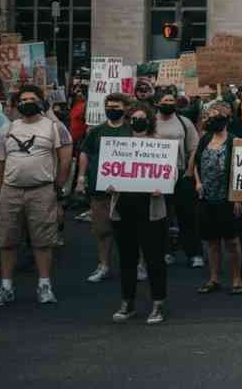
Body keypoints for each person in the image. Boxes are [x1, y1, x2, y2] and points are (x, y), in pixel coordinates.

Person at [0, 85, 72, 306]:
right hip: (11, 191)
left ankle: (44, 286)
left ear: (41, 102)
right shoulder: (7, 128)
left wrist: (58, 189)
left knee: (43, 241)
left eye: (32, 99)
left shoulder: (54, 127)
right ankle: (6, 287)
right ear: (17, 104)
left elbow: (65, 160)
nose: (27, 103)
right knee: (7, 240)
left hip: (42, 190)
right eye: (23, 100)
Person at [107, 102, 169, 324]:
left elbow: (170, 173)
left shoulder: (160, 144)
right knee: (127, 258)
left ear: (149, 120)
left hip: (151, 209)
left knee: (154, 258)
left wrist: (162, 185)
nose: (137, 121)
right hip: (124, 208)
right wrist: (109, 183)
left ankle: (158, 303)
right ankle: (128, 302)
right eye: (133, 118)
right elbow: (109, 171)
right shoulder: (118, 145)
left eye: (142, 118)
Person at [76, 93, 134, 283]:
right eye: (108, 106)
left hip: (127, 190)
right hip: (99, 188)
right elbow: (85, 153)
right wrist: (81, 177)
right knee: (102, 230)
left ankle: (136, 265)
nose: (112, 110)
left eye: (116, 107)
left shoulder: (132, 129)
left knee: (130, 230)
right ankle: (104, 266)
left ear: (126, 108)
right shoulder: (96, 131)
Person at [193, 102, 242, 296]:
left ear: (226, 118)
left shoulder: (234, 141)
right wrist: (198, 182)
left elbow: (241, 170)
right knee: (212, 241)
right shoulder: (205, 139)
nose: (212, 119)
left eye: (217, 116)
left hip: (227, 198)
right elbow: (196, 162)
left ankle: (237, 278)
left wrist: (238, 197)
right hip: (206, 198)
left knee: (232, 242)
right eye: (210, 115)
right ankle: (214, 278)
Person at [153, 89, 202, 269]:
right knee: (162, 216)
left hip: (181, 174)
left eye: (171, 101)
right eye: (165, 101)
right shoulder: (151, 122)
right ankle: (166, 251)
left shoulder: (184, 122)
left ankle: (194, 253)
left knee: (187, 215)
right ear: (157, 103)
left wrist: (189, 170)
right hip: (158, 176)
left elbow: (194, 148)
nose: (169, 104)